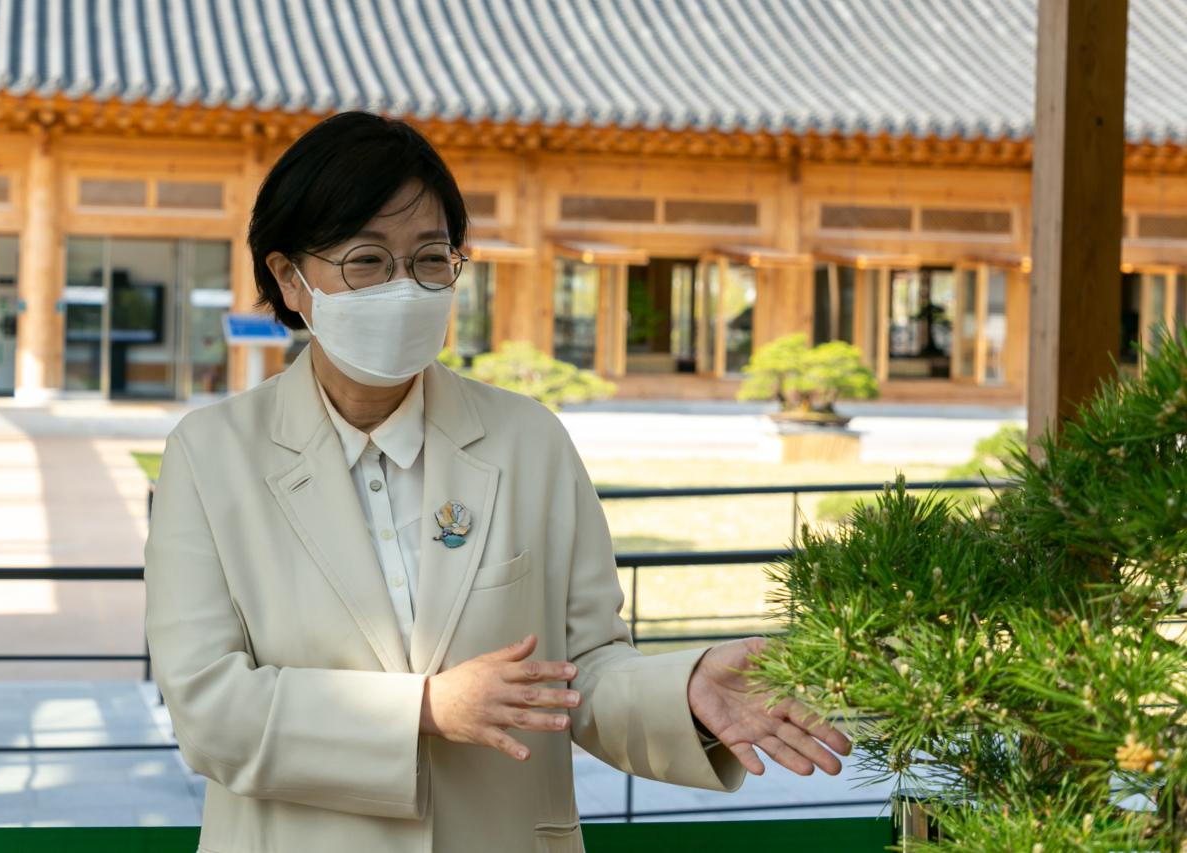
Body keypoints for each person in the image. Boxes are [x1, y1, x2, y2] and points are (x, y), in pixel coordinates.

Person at [144, 112, 849, 853]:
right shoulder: (212, 456)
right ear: (290, 279)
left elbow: (585, 671)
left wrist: (687, 691)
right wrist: (424, 706)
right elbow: (208, 709)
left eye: (429, 260)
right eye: (367, 261)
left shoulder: (527, 441)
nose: (404, 287)